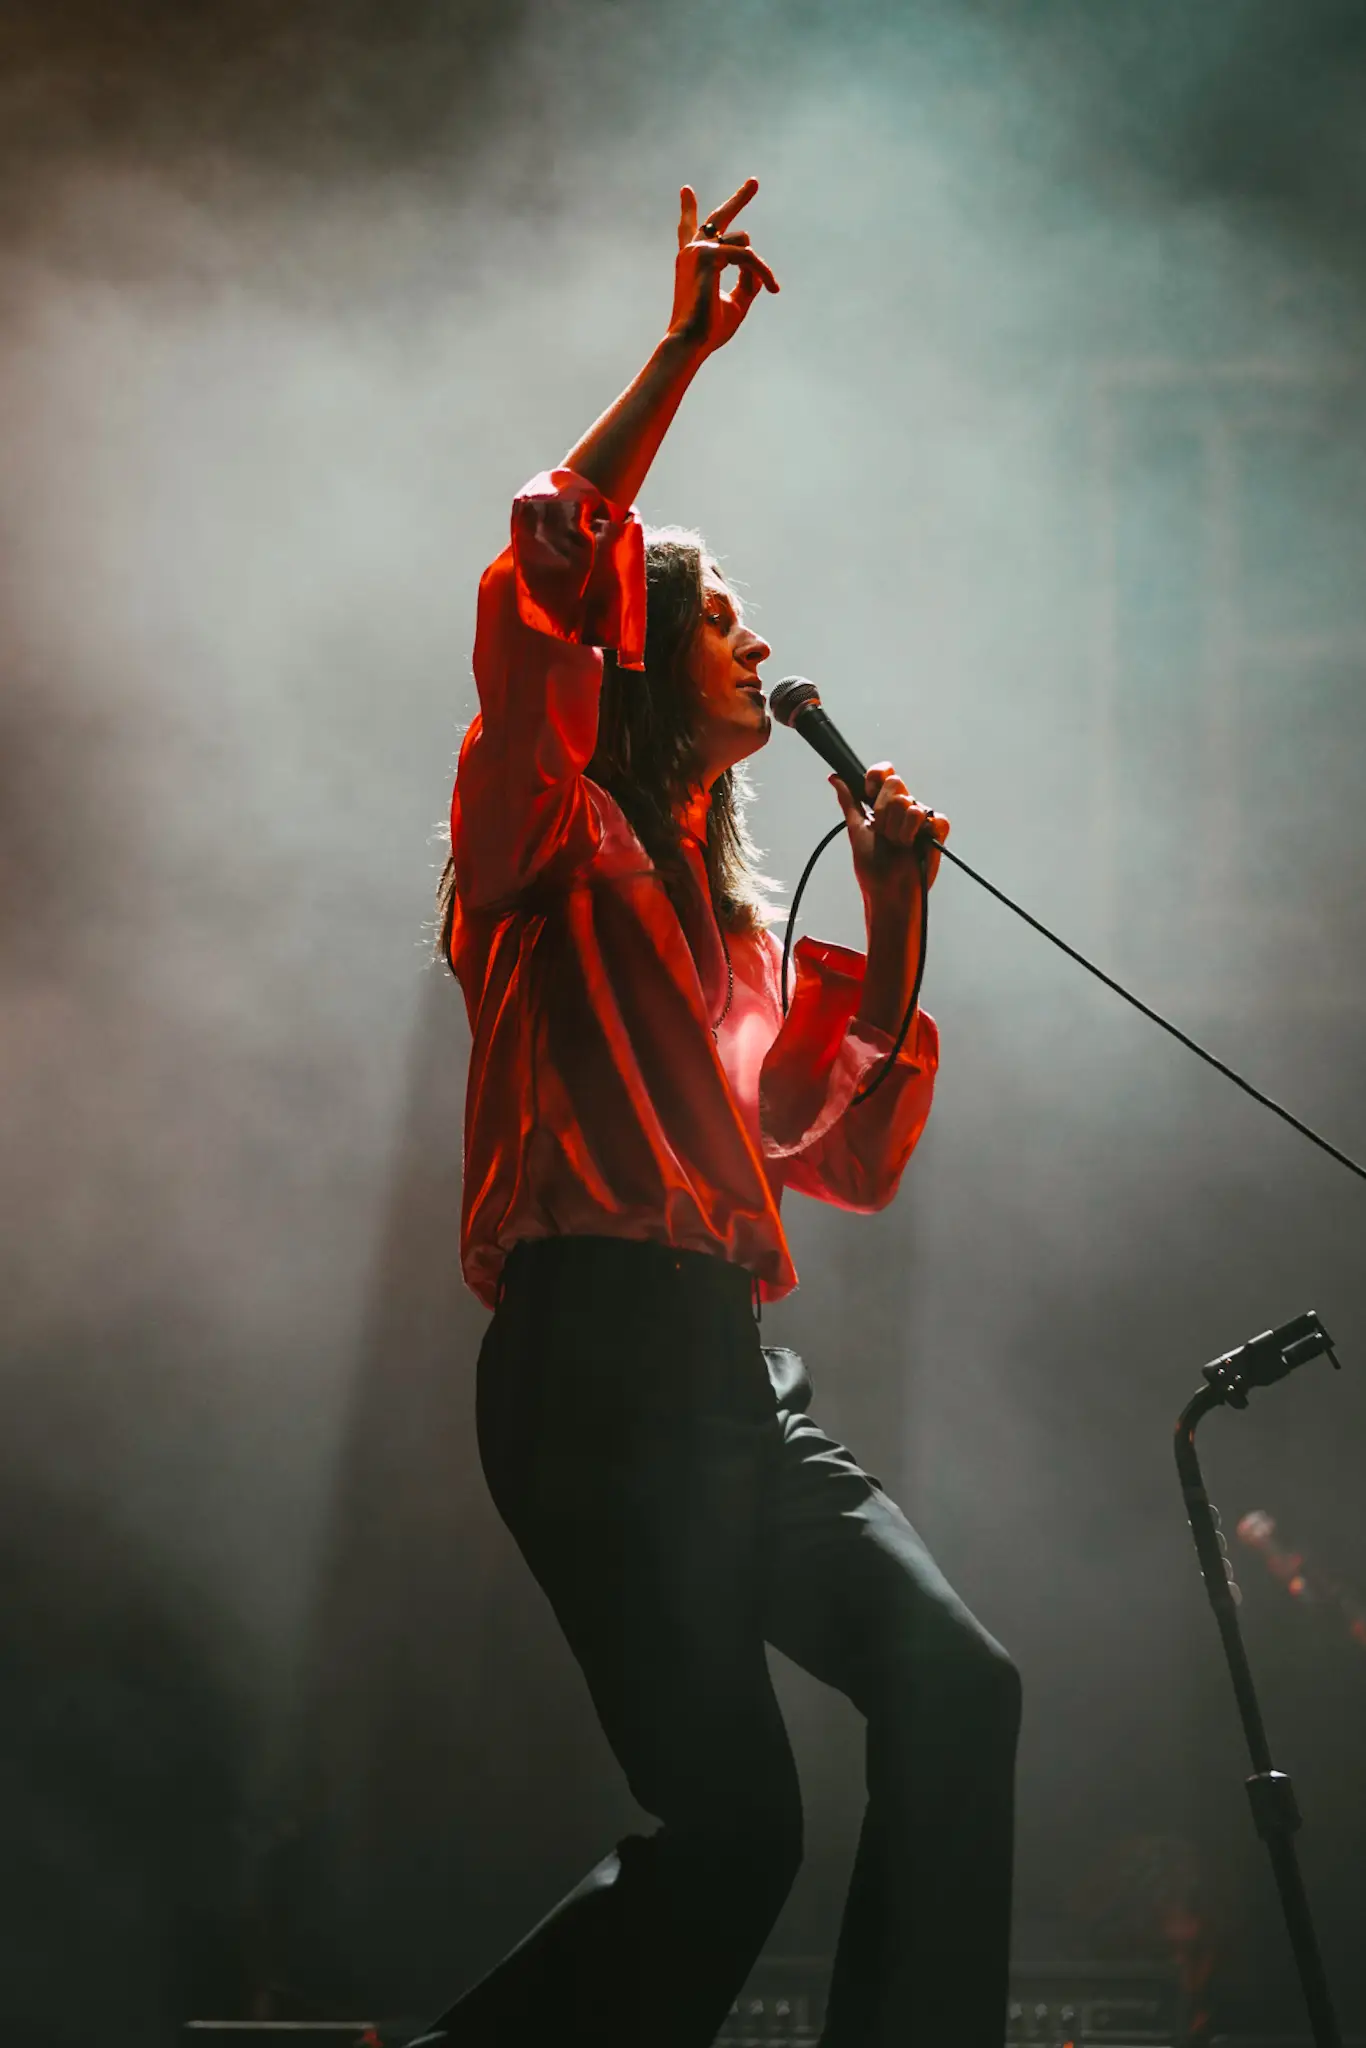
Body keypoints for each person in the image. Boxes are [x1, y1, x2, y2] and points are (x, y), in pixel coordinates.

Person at [418, 178, 1021, 2048]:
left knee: (955, 1689)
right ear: (639, 657)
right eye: (725, 624)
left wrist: (899, 915)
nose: (758, 650)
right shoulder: (541, 840)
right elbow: (538, 574)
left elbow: (819, 1146)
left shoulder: (733, 926)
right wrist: (679, 349)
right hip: (593, 1371)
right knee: (740, 1831)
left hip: (728, 1374)